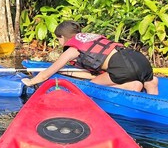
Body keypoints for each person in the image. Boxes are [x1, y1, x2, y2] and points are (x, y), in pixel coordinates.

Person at [22, 20, 159, 95]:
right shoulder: (90, 38)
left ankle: (130, 86)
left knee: (92, 87)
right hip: (138, 58)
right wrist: (65, 71)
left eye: (58, 40)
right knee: (150, 83)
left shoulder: (72, 49)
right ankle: (151, 91)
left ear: (63, 38)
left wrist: (30, 81)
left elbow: (46, 74)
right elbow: (95, 71)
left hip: (121, 66)